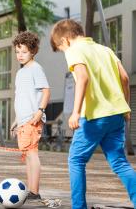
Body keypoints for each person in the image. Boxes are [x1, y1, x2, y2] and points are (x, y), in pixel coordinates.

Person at [50, 19, 136, 209]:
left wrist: (75, 112)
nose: (64, 51)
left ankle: (78, 207)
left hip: (94, 117)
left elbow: (83, 78)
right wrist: (126, 107)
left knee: (76, 160)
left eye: (61, 48)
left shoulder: (74, 50)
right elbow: (125, 78)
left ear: (65, 40)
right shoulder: (106, 50)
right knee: (120, 163)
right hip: (116, 116)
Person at [10, 31, 50, 200]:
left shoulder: (35, 69)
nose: (20, 55)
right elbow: (22, 99)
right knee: (27, 155)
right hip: (23, 120)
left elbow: (46, 91)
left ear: (33, 51)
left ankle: (34, 191)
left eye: (24, 52)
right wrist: (16, 120)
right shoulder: (21, 72)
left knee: (32, 153)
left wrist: (40, 111)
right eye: (18, 52)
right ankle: (31, 189)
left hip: (32, 119)